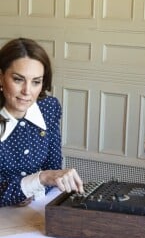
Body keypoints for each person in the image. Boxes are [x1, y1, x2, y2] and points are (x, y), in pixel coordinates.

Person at [0, 38, 84, 207]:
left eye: (36, 82)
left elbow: (53, 168)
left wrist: (36, 187)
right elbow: (46, 176)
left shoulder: (48, 108)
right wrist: (38, 180)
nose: (27, 91)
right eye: (18, 79)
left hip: (34, 208)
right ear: (1, 78)